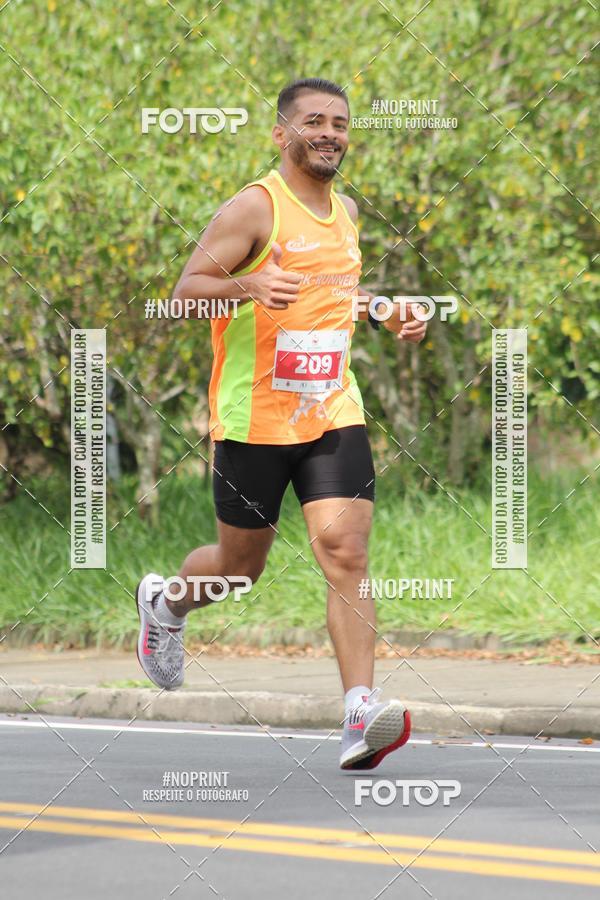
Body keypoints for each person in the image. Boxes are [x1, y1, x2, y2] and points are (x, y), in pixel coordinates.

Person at [135, 77, 427, 769]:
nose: (330, 133)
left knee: (347, 554)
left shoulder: (347, 211)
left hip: (331, 409)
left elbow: (334, 292)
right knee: (241, 569)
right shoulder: (253, 208)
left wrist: (383, 310)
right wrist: (247, 285)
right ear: (281, 134)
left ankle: (359, 713)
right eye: (314, 121)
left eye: (341, 123)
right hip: (253, 419)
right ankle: (167, 604)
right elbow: (183, 297)